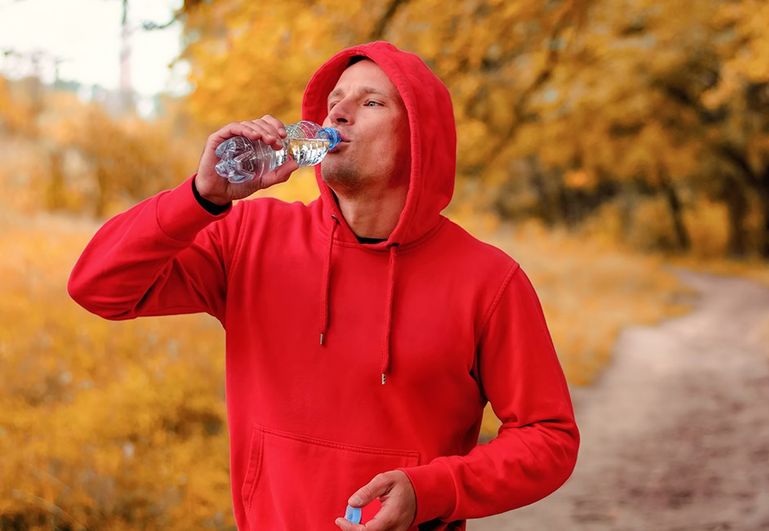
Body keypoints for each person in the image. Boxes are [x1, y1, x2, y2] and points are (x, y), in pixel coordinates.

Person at [68, 41, 579, 530]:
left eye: (371, 101)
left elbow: (548, 439)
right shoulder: (248, 237)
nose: (337, 114)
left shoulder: (489, 280)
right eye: (334, 102)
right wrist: (200, 196)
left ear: (420, 136)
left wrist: (432, 491)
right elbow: (97, 286)